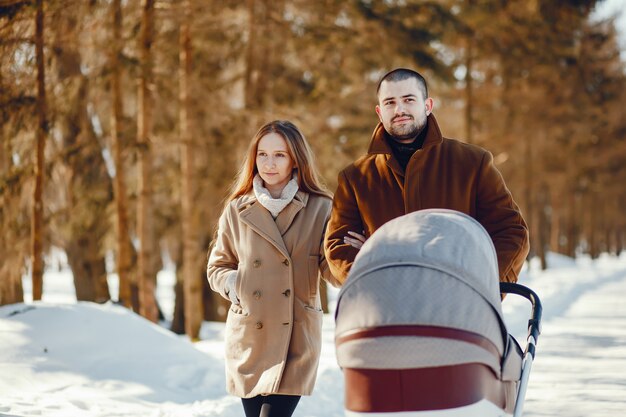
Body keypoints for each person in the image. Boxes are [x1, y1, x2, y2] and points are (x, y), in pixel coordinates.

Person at [324, 68, 529, 284]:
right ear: (379, 111)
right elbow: (339, 245)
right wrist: (376, 272)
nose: (399, 109)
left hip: (460, 307)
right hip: (387, 309)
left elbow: (511, 231)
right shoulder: (355, 178)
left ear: (427, 105)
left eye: (408, 99)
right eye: (390, 102)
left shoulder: (472, 163)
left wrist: (477, 280)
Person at [207, 120, 339, 417]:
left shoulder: (321, 207)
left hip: (295, 335)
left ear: (296, 160)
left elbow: (331, 270)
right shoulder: (237, 208)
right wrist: (234, 283)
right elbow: (218, 265)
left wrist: (353, 255)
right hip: (250, 336)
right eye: (262, 154)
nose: (269, 163)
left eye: (279, 154)